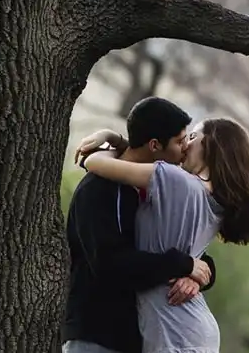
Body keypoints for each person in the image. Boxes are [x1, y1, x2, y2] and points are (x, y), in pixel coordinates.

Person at [76, 116, 249, 353]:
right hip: (189, 329)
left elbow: (95, 162)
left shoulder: (172, 180)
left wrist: (112, 138)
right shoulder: (215, 201)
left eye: (192, 137)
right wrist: (190, 269)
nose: (185, 145)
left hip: (175, 331)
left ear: (210, 145)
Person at [63, 97, 217, 353]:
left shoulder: (159, 191)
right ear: (155, 145)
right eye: (179, 142)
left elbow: (179, 246)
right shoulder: (100, 189)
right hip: (98, 336)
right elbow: (109, 263)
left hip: (139, 338)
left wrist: (199, 273)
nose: (185, 149)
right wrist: (183, 264)